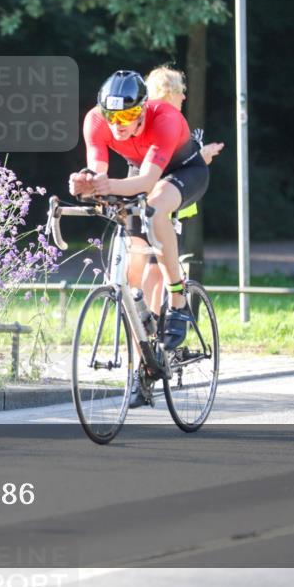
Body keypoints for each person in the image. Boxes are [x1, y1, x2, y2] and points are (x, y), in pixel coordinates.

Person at [68, 67, 223, 407]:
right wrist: (84, 183)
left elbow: (147, 182)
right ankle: (147, 364)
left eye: (128, 114)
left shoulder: (164, 118)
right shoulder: (94, 121)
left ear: (143, 108)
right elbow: (99, 171)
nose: (119, 123)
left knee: (153, 210)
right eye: (112, 115)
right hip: (141, 172)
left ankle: (179, 301)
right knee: (132, 277)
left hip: (183, 172)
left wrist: (104, 186)